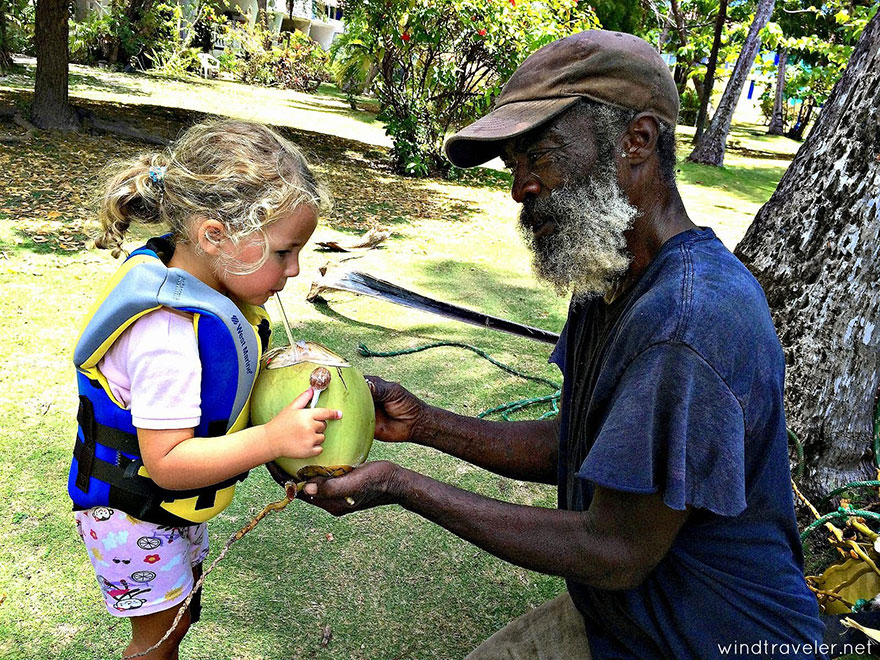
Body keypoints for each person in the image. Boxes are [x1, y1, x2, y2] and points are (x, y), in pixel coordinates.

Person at [294, 31, 828, 659]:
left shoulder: (687, 321)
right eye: (512, 166)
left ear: (638, 142)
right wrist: (424, 424)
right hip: (619, 624)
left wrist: (402, 487)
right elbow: (578, 444)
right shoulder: (607, 278)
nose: (520, 188)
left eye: (540, 156)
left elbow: (616, 550)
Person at [68, 119, 341, 660]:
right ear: (215, 235)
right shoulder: (167, 333)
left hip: (165, 513)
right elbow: (167, 461)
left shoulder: (208, 288)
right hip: (134, 516)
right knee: (157, 644)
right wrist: (273, 440)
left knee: (180, 618)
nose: (294, 271)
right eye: (284, 253)